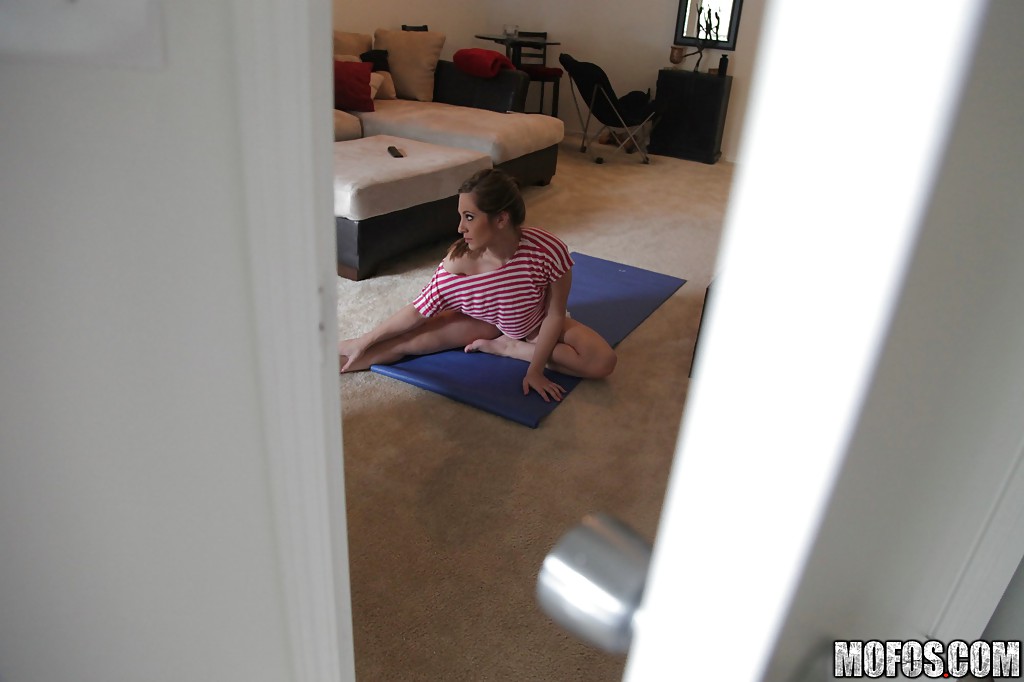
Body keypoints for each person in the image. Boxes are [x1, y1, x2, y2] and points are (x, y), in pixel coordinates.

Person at [338, 168, 616, 402]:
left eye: (469, 217)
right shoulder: (457, 265)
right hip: (483, 322)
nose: (460, 227)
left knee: (603, 362)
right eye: (461, 216)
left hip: (536, 323)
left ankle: (509, 348)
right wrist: (364, 340)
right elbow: (417, 312)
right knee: (406, 343)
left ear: (501, 219)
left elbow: (555, 314)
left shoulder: (547, 249)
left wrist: (535, 369)